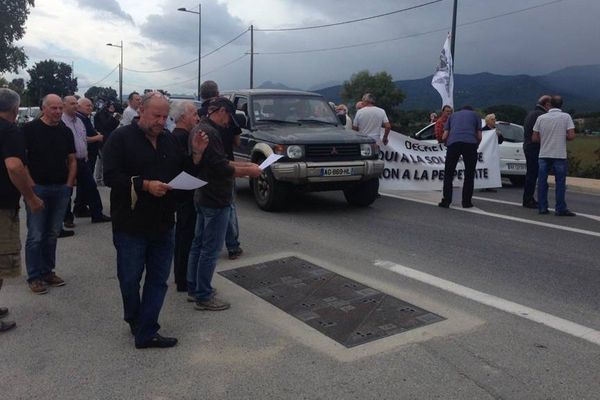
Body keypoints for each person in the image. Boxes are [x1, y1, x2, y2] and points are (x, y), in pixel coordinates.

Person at [103, 92, 208, 349]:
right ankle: (134, 318)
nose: (161, 121)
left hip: (163, 222)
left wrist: (196, 155)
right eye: (156, 116)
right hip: (130, 223)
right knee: (129, 278)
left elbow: (183, 171)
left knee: (158, 279)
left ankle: (147, 329)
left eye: (164, 116)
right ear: (142, 111)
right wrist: (146, 185)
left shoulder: (169, 140)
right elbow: (111, 177)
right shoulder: (121, 138)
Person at [187, 97, 262, 312]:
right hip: (215, 196)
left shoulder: (200, 128)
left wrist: (246, 165)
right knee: (210, 248)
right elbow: (220, 166)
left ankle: (195, 288)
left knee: (198, 243)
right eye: (229, 115)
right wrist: (249, 170)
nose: (229, 121)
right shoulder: (210, 133)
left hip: (203, 194)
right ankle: (203, 295)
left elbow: (216, 161)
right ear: (220, 111)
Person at [22, 94, 77, 294]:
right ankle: (34, 276)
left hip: (60, 188)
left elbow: (72, 160)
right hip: (38, 188)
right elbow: (22, 161)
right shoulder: (29, 130)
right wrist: (31, 186)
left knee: (52, 234)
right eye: (53, 108)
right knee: (36, 234)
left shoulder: (65, 132)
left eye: (60, 108)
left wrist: (69, 185)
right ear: (43, 108)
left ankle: (48, 271)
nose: (58, 112)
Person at [0, 88, 44, 331]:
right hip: (2, 207)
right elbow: (15, 166)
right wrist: (31, 197)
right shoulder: (10, 131)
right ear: (16, 109)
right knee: (1, 260)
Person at [197, 80, 244, 260]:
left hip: (202, 170)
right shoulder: (226, 113)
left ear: (202, 95)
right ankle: (233, 246)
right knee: (227, 206)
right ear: (217, 93)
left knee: (204, 214)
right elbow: (238, 141)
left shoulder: (199, 115)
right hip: (224, 166)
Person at [61, 96, 111, 224]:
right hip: (68, 161)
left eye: (76, 103)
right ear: (64, 105)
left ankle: (97, 214)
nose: (75, 106)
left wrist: (86, 152)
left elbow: (82, 138)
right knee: (68, 189)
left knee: (91, 186)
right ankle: (67, 218)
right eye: (72, 103)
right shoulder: (62, 121)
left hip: (82, 159)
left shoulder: (79, 121)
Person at [170, 101, 200, 292]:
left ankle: (182, 276)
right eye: (194, 114)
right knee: (185, 236)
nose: (197, 118)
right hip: (184, 194)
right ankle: (183, 279)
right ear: (183, 117)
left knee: (184, 236)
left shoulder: (182, 136)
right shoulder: (180, 138)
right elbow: (186, 167)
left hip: (185, 193)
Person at [532, 95, 576, 216]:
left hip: (544, 153)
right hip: (559, 154)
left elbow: (534, 138)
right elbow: (571, 136)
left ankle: (542, 207)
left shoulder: (541, 118)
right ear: (561, 105)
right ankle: (560, 208)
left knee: (542, 181)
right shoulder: (566, 117)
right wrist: (563, 136)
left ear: (549, 104)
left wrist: (545, 138)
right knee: (560, 182)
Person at [438, 106, 482, 209]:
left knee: (448, 173)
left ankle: (446, 201)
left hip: (453, 144)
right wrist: (476, 145)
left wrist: (447, 144)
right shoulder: (476, 115)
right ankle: (466, 203)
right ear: (471, 110)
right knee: (469, 174)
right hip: (470, 144)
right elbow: (479, 136)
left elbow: (444, 136)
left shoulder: (452, 116)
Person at [522, 95, 551, 208]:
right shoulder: (541, 115)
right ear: (547, 104)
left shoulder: (531, 113)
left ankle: (528, 198)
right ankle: (528, 200)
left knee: (531, 174)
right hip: (535, 147)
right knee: (534, 174)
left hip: (528, 146)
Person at [93, 100, 120, 186]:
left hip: (109, 137)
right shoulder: (101, 114)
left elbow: (113, 126)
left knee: (103, 159)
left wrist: (116, 118)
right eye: (111, 106)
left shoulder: (108, 114)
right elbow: (106, 125)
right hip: (102, 138)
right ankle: (99, 179)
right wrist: (113, 117)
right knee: (102, 159)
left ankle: (101, 178)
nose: (112, 107)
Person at [479, 113, 504, 193]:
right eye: (492, 119)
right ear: (488, 121)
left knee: (491, 168)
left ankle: (490, 185)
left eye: (495, 119)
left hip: (492, 153)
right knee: (484, 168)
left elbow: (500, 141)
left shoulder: (495, 130)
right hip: (484, 153)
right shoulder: (483, 130)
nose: (494, 121)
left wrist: (499, 135)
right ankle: (483, 185)